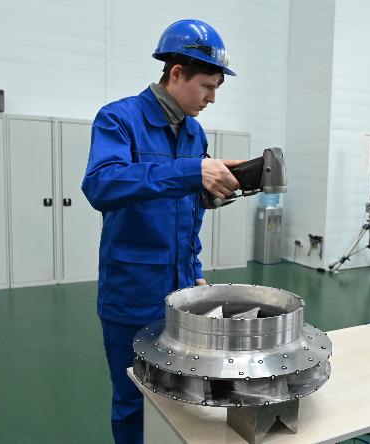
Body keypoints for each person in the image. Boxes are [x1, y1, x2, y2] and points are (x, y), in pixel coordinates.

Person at [81, 19, 242, 444]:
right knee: (133, 398)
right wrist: (192, 172)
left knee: (177, 395)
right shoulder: (119, 119)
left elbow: (186, 211)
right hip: (131, 292)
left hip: (181, 292)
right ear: (177, 73)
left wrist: (194, 269)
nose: (211, 98)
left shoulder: (194, 132)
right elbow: (101, 184)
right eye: (207, 86)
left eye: (216, 89)